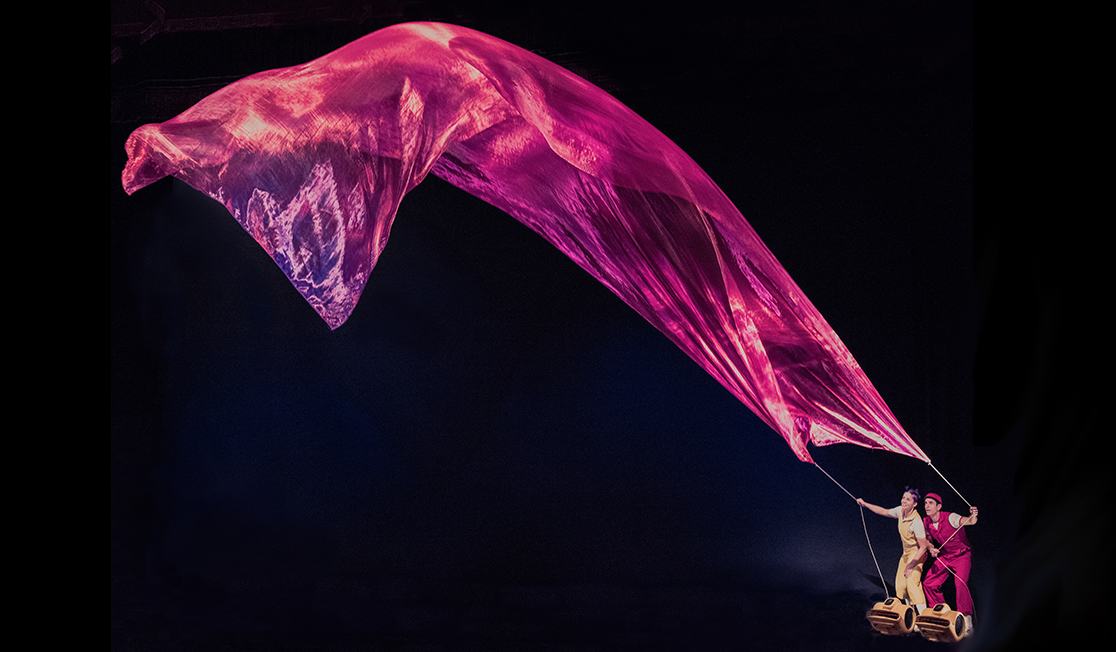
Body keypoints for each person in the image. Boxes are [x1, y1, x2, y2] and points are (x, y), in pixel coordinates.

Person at [857, 488, 929, 615]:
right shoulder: (900, 511)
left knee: (912, 583)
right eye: (903, 498)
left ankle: (924, 616)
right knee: (901, 585)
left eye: (908, 499)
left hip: (916, 554)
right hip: (906, 554)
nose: (904, 501)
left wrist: (911, 565)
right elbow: (884, 511)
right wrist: (865, 504)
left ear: (915, 504)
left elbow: (923, 547)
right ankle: (911, 616)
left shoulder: (916, 522)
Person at [922, 492, 979, 635]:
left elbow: (970, 521)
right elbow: (928, 540)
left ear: (939, 506)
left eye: (930, 503)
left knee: (960, 584)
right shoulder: (926, 522)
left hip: (961, 555)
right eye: (926, 503)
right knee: (929, 583)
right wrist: (931, 548)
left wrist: (973, 514)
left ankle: (967, 622)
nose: (927, 506)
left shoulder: (950, 517)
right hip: (946, 556)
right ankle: (941, 615)